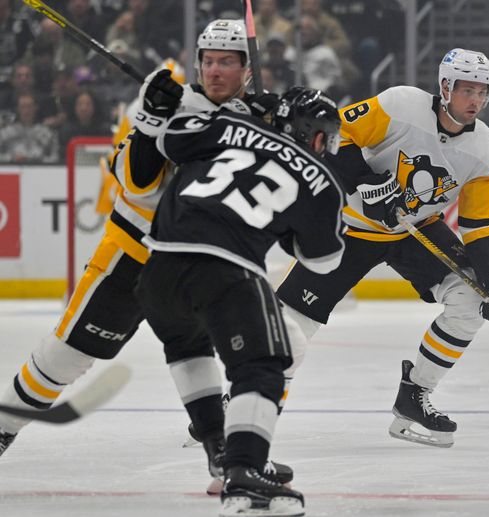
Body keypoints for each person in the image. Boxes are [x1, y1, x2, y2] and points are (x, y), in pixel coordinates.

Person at [0, 18, 290, 491]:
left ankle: (220, 450)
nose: (215, 71)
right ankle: (3, 427)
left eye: (227, 62)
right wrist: (152, 120)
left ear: (247, 69)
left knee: (192, 346)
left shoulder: (252, 117)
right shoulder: (169, 101)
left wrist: (275, 127)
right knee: (65, 357)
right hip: (131, 253)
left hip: (198, 257)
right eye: (209, 61)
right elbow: (134, 185)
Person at [276, 48, 489, 448]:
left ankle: (414, 395)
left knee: (470, 301)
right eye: (466, 90)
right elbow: (336, 135)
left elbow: (479, 224)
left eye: (482, 91)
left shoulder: (485, 151)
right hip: (351, 227)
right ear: (445, 88)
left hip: (416, 230)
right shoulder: (400, 104)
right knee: (291, 325)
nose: (475, 100)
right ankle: (242, 403)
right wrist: (364, 184)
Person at [135, 86, 344, 517]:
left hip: (158, 265)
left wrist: (241, 114)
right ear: (315, 136)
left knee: (187, 345)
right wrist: (290, 228)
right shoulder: (320, 178)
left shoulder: (231, 126)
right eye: (328, 137)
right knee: (264, 367)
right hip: (224, 268)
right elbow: (323, 261)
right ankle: (245, 474)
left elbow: (171, 140)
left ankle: (219, 449)